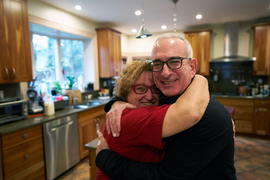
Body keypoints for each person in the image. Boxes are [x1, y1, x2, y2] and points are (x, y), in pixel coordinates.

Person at [96, 33, 236, 180]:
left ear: (192, 67)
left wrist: (105, 158)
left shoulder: (209, 116)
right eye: (157, 64)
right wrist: (116, 101)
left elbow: (166, 177)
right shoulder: (165, 99)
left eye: (175, 61)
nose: (165, 72)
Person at [96, 61, 209, 180]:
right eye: (140, 88)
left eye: (155, 89)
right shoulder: (131, 119)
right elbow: (189, 112)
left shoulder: (139, 112)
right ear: (125, 92)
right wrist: (201, 79)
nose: (150, 97)